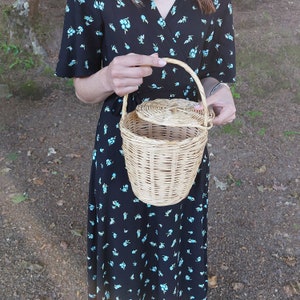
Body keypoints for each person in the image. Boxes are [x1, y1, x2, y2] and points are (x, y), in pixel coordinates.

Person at [56, 0, 236, 299]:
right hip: (123, 152)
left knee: (176, 256)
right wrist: (107, 78)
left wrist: (219, 92)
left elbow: (211, 75)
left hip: (183, 155)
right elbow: (83, 90)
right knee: (123, 269)